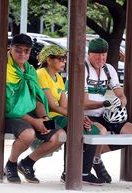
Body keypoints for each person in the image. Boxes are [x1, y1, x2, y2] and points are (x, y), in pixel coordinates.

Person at [36, 43, 101, 184]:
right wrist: (76, 118)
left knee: (92, 129)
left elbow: (64, 105)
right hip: (45, 118)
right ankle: (73, 172)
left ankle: (82, 171)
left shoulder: (59, 77)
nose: (64, 62)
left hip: (58, 117)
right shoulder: (41, 74)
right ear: (49, 60)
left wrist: (80, 117)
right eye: (61, 59)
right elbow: (52, 107)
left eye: (65, 59)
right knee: (76, 128)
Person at [4, 33, 66, 183]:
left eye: (27, 50)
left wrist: (44, 117)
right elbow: (10, 106)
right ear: (10, 49)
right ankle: (11, 164)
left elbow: (38, 98)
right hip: (10, 115)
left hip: (33, 114)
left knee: (61, 135)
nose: (23, 54)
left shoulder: (30, 70)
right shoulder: (4, 68)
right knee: (28, 134)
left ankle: (27, 163)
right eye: (19, 50)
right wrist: (35, 122)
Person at [83, 37, 132, 183]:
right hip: (86, 116)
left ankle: (95, 156)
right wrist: (106, 103)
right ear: (89, 54)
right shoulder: (83, 68)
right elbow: (83, 103)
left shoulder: (109, 69)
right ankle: (95, 160)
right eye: (97, 55)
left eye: (103, 55)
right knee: (100, 131)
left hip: (105, 114)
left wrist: (121, 102)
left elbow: (120, 94)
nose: (101, 58)